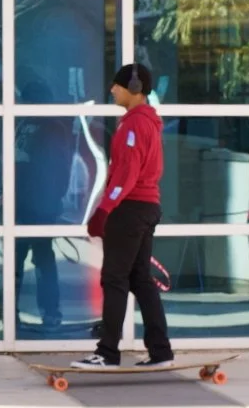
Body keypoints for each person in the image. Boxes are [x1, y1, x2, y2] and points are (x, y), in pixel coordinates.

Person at [71, 63, 174, 369]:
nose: (112, 89)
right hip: (146, 207)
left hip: (129, 209)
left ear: (134, 87)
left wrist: (104, 209)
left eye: (117, 85)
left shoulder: (133, 125)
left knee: (115, 279)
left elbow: (126, 174)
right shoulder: (150, 123)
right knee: (140, 280)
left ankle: (107, 353)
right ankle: (160, 352)